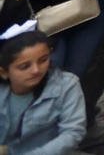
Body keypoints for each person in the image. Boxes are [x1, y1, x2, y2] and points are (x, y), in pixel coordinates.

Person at [0, 25, 87, 155]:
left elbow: (73, 132)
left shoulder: (67, 85)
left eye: (43, 60)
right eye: (25, 66)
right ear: (4, 72)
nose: (36, 70)